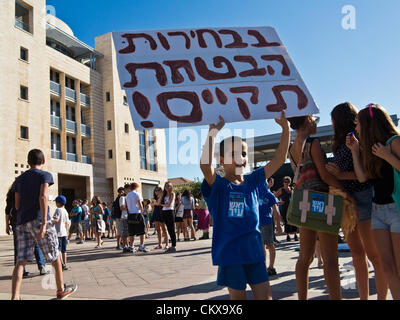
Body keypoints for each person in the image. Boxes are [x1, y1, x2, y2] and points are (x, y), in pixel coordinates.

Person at [200, 112, 290, 300]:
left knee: (265, 297)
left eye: (242, 152)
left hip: (255, 253)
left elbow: (279, 160)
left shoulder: (254, 180)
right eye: (233, 154)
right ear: (222, 161)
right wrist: (212, 133)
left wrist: (286, 129)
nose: (240, 157)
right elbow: (204, 166)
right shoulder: (218, 185)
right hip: (230, 255)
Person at [287, 115, 354, 300]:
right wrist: (345, 193)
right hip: (322, 202)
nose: (316, 122)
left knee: (304, 258)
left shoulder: (292, 147)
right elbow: (324, 175)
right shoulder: (313, 142)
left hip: (303, 202)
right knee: (331, 259)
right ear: (308, 120)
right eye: (314, 119)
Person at [325, 102, 388, 300]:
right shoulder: (341, 140)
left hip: (363, 196)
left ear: (340, 118)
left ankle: (381, 297)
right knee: (357, 255)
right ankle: (363, 297)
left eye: (333, 119)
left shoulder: (358, 138)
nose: (331, 123)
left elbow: (367, 173)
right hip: (347, 200)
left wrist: (341, 175)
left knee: (374, 255)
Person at [346, 103, 400, 300]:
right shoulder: (369, 149)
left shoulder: (394, 142)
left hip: (396, 209)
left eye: (358, 123)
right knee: (387, 266)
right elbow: (362, 178)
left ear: (369, 123)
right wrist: (355, 152)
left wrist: (388, 156)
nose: (356, 128)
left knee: (398, 267)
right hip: (378, 211)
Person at [11, 149, 77, 300]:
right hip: (40, 219)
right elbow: (43, 196)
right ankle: (61, 290)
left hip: (22, 222)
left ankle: (15, 297)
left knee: (20, 261)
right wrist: (42, 225)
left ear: (28, 162)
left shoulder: (19, 179)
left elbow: (16, 205)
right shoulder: (44, 175)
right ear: (43, 161)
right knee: (54, 256)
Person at [5, 183, 49, 277]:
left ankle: (21, 270)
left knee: (18, 247)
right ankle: (41, 266)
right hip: (28, 220)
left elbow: (7, 211)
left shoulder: (10, 196)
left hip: (16, 223)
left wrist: (7, 225)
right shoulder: (26, 191)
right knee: (36, 244)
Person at [258, 180, 283, 276]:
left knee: (269, 244)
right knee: (263, 246)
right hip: (258, 223)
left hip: (267, 223)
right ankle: (264, 267)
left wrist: (278, 225)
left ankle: (271, 266)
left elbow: (276, 211)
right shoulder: (255, 194)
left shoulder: (269, 195)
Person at [125, 183, 149, 253]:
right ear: (136, 187)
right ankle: (141, 246)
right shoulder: (137, 194)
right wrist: (142, 211)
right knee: (142, 231)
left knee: (131, 232)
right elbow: (140, 203)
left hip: (130, 214)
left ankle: (132, 247)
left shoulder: (127, 195)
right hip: (137, 213)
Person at [276, 176, 298, 242]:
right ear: (283, 182)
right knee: (286, 221)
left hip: (291, 207)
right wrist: (279, 203)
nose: (287, 183)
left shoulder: (291, 189)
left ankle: (295, 235)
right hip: (284, 207)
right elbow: (274, 197)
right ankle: (287, 235)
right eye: (285, 181)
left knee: (293, 220)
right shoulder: (281, 190)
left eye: (288, 182)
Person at [52, 196, 70, 271]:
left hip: (58, 232)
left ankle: (61, 264)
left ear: (58, 203)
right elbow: (67, 223)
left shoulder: (58, 210)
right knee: (64, 250)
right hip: (64, 233)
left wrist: (49, 221)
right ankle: (65, 263)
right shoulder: (65, 210)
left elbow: (56, 220)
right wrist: (67, 231)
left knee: (58, 249)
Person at [161, 182, 177, 253]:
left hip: (170, 212)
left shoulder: (172, 194)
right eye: (166, 186)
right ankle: (170, 245)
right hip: (164, 212)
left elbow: (169, 204)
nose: (167, 187)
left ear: (171, 187)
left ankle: (173, 246)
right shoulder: (164, 194)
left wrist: (161, 204)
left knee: (171, 229)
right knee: (166, 229)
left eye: (169, 186)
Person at [119, 185, 131, 252]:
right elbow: (122, 207)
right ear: (125, 190)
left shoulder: (129, 197)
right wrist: (131, 208)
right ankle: (125, 246)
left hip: (130, 216)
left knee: (129, 232)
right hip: (125, 217)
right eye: (129, 189)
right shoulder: (123, 198)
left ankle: (128, 245)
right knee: (125, 232)